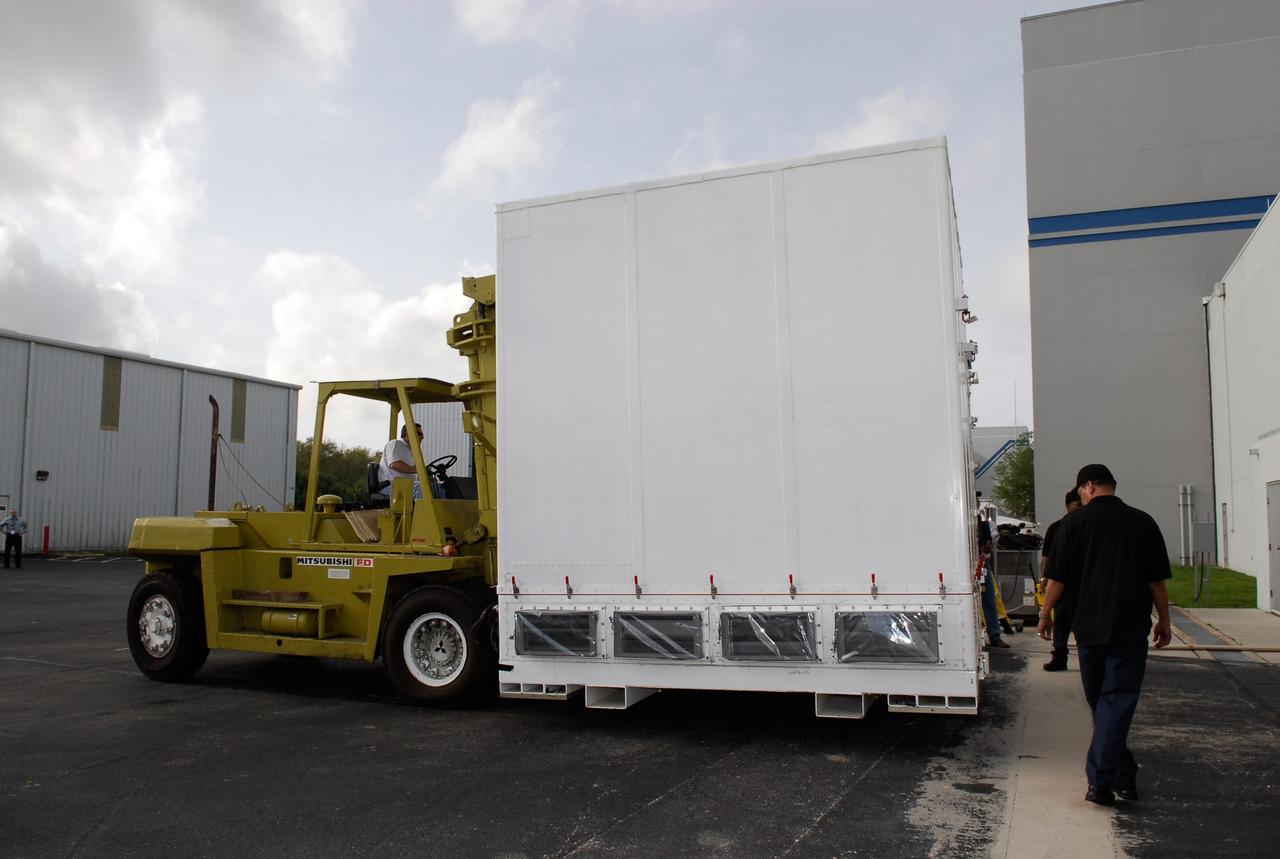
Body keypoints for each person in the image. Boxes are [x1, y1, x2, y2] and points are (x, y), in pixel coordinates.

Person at [1038, 464, 1172, 807]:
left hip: (1090, 628)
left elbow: (1058, 580)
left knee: (1104, 702)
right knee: (1114, 702)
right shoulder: (1143, 522)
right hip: (1130, 625)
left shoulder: (1073, 524)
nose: (1080, 495)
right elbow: (1156, 580)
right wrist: (1164, 620)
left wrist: (1045, 613)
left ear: (1088, 487)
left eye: (1080, 490)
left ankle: (1100, 782)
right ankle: (1123, 776)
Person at [1040, 488, 1082, 671]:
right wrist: (1044, 578)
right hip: (1061, 582)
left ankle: (1087, 658)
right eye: (1076, 505)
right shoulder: (1057, 527)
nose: (1080, 509)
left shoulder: (1088, 525)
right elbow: (1046, 556)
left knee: (1082, 623)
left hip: (1084, 584)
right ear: (1067, 506)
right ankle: (1059, 655)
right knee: (1060, 620)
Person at [379, 423, 427, 500]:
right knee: (422, 487)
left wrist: (427, 475)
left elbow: (415, 472)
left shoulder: (412, 451)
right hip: (392, 486)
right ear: (408, 434)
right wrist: (420, 471)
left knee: (435, 487)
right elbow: (394, 464)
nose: (422, 437)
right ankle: (423, 512)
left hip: (407, 485)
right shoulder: (395, 444)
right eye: (419, 434)